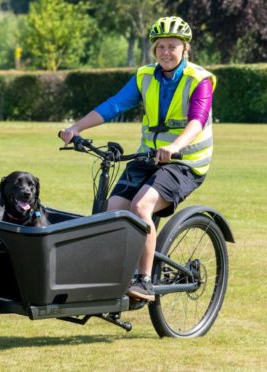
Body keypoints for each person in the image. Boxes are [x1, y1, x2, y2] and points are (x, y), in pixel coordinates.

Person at [59, 16, 216, 302]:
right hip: (148, 157)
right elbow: (114, 105)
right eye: (161, 47)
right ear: (154, 50)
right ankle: (116, 274)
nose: (166, 53)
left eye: (173, 47)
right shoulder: (145, 75)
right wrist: (76, 128)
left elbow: (197, 120)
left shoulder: (199, 80)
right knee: (113, 210)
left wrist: (176, 146)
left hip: (185, 163)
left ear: (185, 50)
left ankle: (144, 281)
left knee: (141, 206)